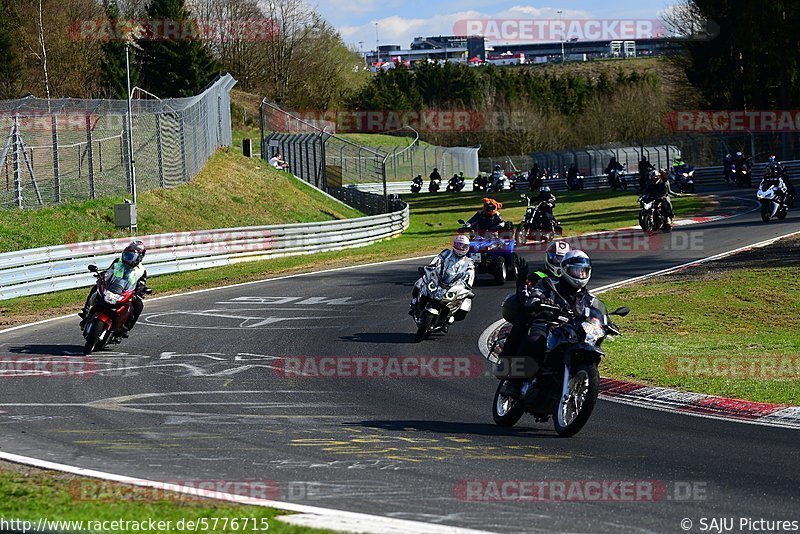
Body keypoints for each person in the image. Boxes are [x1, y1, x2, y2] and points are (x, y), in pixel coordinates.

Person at [498, 249, 593, 399]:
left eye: (583, 271)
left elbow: (595, 312)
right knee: (534, 341)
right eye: (576, 270)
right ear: (566, 269)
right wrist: (537, 300)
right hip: (547, 325)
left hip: (569, 331)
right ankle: (513, 381)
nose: (580, 275)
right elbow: (535, 294)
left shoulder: (587, 297)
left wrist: (605, 321)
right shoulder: (549, 283)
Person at [79, 241, 148, 334]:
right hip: (112, 287)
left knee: (139, 305)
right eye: (127, 255)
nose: (128, 258)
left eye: (131, 256)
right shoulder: (117, 261)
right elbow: (109, 272)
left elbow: (142, 282)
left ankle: (126, 328)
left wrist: (141, 289)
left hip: (127, 291)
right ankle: (86, 312)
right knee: (95, 288)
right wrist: (102, 276)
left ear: (139, 258)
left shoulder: (141, 270)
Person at [410, 234, 475, 318]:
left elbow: (471, 273)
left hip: (455, 283)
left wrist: (468, 285)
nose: (461, 248)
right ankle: (415, 301)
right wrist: (429, 268)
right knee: (420, 282)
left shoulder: (468, 261)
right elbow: (437, 259)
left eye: (463, 246)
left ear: (467, 247)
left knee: (465, 302)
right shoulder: (447, 253)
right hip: (440, 278)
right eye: (459, 245)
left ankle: (450, 315)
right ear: (454, 245)